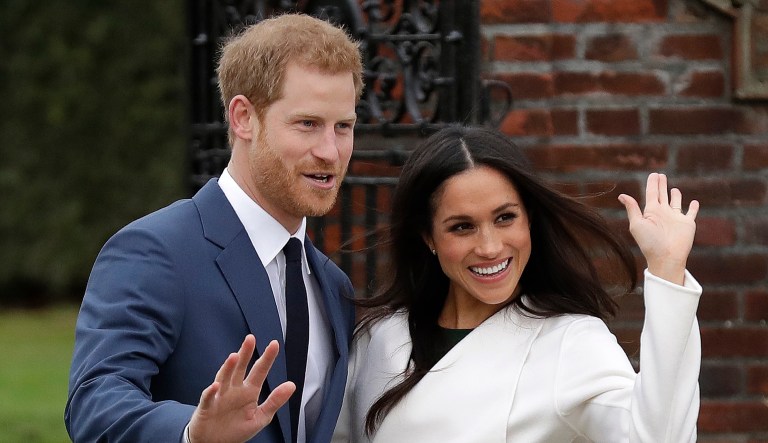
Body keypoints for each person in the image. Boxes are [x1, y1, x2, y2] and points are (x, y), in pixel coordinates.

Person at [66, 14, 363, 443]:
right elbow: (93, 403)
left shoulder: (333, 286)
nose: (331, 151)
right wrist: (191, 433)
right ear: (243, 117)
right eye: (308, 124)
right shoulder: (156, 250)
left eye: (344, 127)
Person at [332, 125, 702, 442]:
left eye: (505, 218)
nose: (490, 247)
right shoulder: (378, 338)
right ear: (427, 236)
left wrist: (668, 269)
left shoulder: (568, 342)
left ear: (529, 221)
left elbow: (656, 436)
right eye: (462, 227)